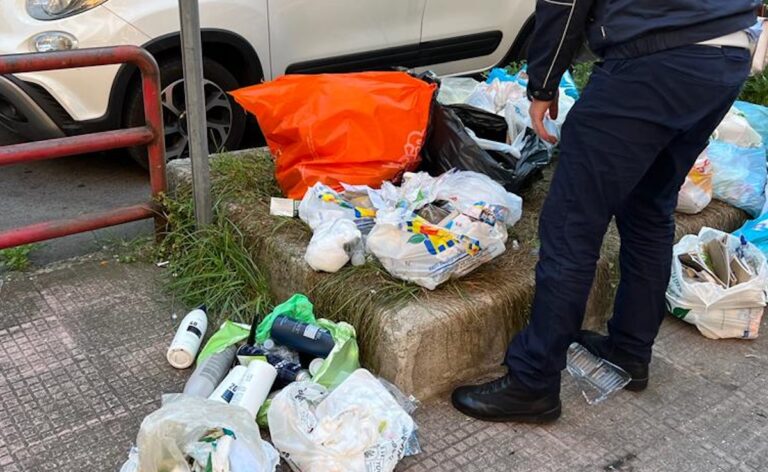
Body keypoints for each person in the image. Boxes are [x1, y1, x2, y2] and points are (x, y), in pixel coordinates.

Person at [452, 0, 760, 423]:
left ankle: (533, 382)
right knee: (649, 207)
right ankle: (630, 351)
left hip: (655, 61)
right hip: (728, 54)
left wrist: (543, 84)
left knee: (570, 224)